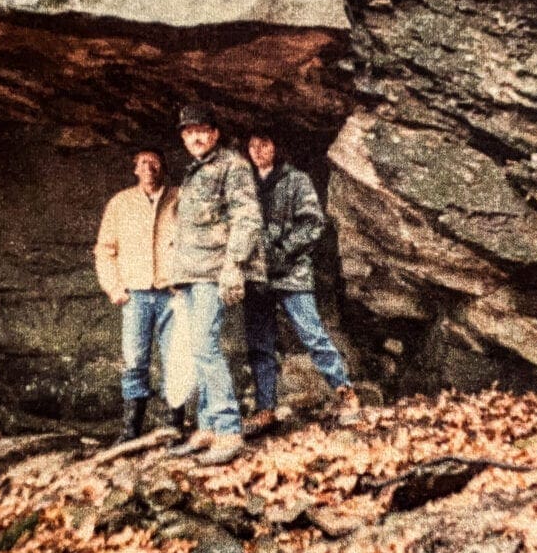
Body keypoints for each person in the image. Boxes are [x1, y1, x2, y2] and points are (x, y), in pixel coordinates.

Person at [242, 130, 359, 436]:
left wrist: (283, 251)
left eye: (264, 142)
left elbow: (313, 223)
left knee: (312, 334)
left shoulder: (296, 180)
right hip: (256, 275)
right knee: (259, 344)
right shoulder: (245, 185)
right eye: (252, 145)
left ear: (276, 145)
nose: (257, 150)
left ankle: (346, 395)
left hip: (292, 273)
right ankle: (265, 409)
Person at [168, 105, 265, 466]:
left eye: (203, 130)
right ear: (183, 137)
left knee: (205, 346)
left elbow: (248, 218)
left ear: (215, 134)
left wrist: (234, 265)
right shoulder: (195, 170)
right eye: (189, 132)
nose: (196, 137)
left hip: (214, 271)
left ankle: (227, 429)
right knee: (198, 348)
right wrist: (178, 276)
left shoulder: (232, 165)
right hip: (192, 273)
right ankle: (208, 426)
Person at [94, 147, 184, 444]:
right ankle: (131, 430)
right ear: (135, 169)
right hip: (136, 295)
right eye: (142, 163)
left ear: (163, 167)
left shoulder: (179, 198)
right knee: (134, 361)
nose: (148, 167)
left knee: (175, 360)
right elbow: (105, 250)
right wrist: (114, 288)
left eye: (154, 161)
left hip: (171, 293)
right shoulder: (121, 203)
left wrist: (186, 285)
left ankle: (175, 427)